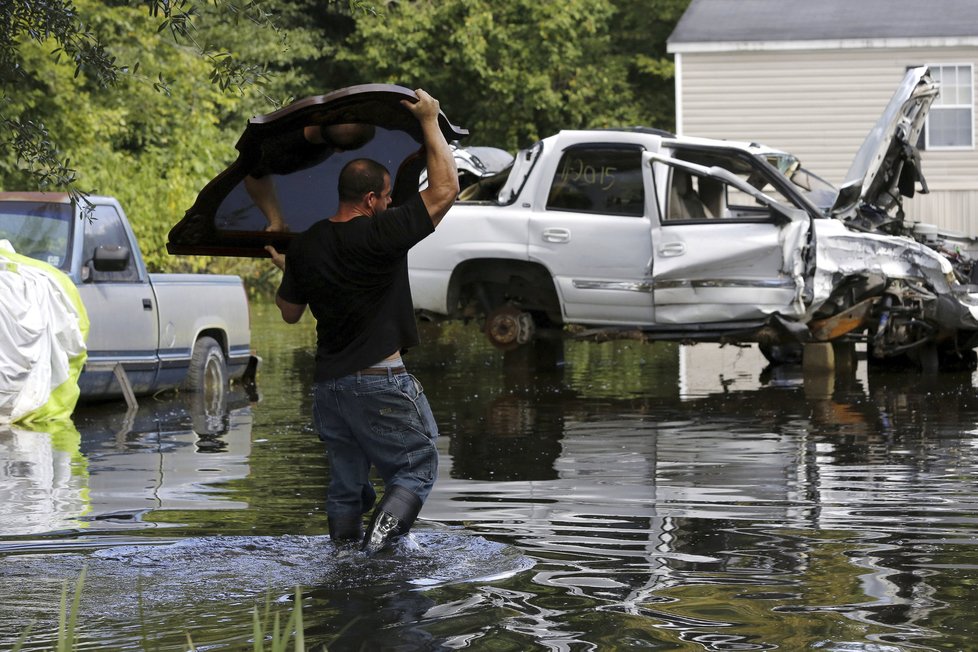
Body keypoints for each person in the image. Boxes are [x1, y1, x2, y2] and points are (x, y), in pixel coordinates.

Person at [266, 89, 459, 554]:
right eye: (389, 197)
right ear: (371, 199)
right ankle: (375, 555)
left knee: (346, 486)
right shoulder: (381, 233)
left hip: (330, 389)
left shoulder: (308, 244)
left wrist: (293, 270)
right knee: (418, 466)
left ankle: (344, 567)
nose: (393, 205)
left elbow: (290, 312)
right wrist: (430, 120)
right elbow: (446, 188)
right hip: (379, 380)